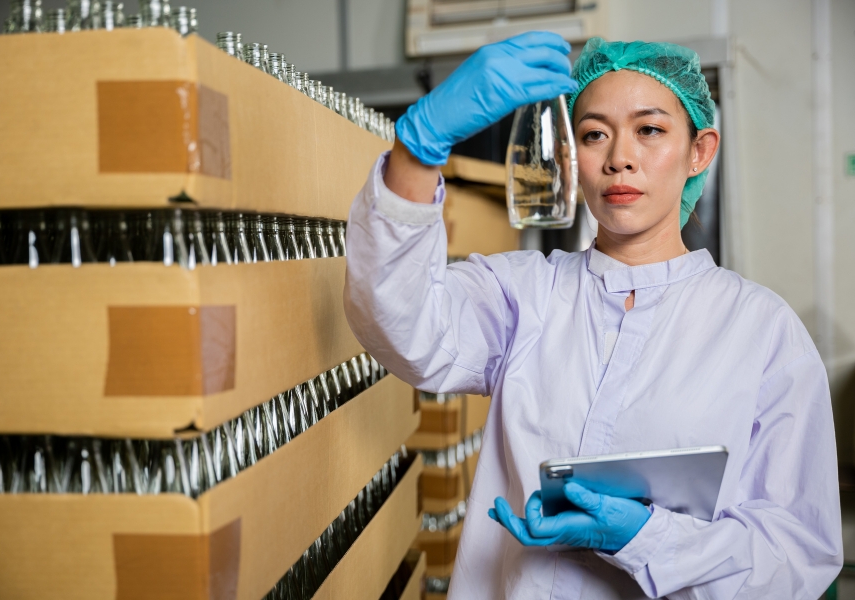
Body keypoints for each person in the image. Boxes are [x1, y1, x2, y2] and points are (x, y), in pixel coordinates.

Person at [343, 33, 842, 599]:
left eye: (649, 130)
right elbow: (400, 322)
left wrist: (647, 538)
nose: (619, 157)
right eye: (594, 134)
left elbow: (795, 557)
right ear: (570, 157)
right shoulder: (523, 294)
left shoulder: (762, 332)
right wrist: (418, 149)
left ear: (700, 151)